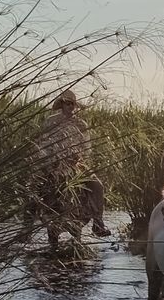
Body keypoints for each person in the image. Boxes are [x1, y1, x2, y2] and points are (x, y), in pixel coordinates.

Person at [32, 89, 111, 237]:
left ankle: (98, 223)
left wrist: (78, 157)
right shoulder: (51, 121)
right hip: (54, 165)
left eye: (72, 104)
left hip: (75, 164)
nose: (70, 106)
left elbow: (86, 147)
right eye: (67, 103)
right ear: (62, 104)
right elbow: (44, 143)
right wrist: (52, 160)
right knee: (33, 187)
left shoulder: (81, 124)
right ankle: (27, 226)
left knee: (97, 186)